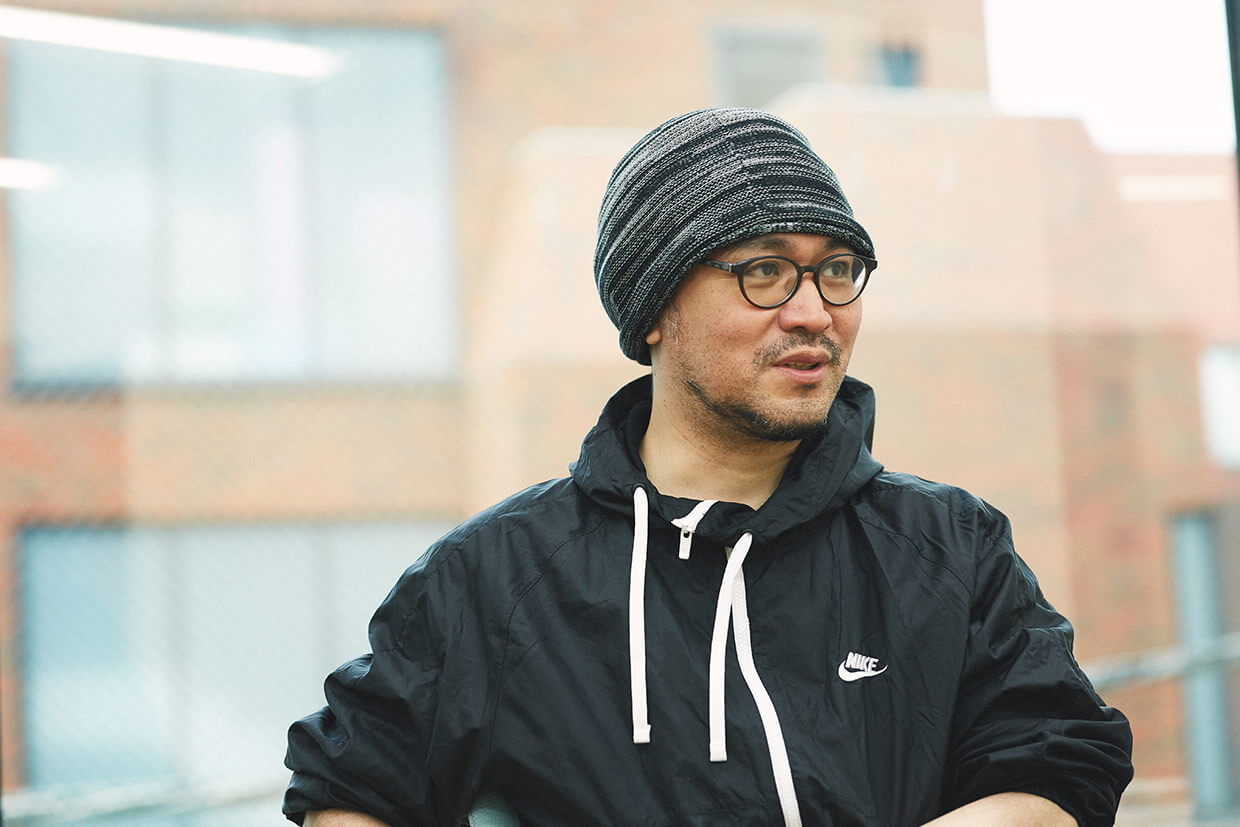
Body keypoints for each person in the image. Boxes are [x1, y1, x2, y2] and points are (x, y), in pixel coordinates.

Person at [284, 107, 1134, 826]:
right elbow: (350, 786)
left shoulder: (949, 547)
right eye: (765, 270)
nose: (814, 311)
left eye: (837, 270)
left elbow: (1057, 764)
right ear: (656, 308)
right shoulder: (493, 578)